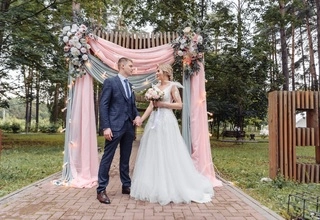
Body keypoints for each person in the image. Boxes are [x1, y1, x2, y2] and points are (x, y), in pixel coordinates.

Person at [130, 64, 214, 205]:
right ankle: (154, 184)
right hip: (154, 122)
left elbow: (180, 105)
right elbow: (151, 106)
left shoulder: (172, 86)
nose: (156, 73)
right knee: (154, 151)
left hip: (167, 121)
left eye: (158, 71)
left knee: (168, 149)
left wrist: (164, 105)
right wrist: (141, 120)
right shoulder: (155, 87)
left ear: (166, 72)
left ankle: (172, 184)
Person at [97, 57, 142, 204]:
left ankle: (126, 185)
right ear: (122, 66)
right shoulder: (110, 82)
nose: (132, 68)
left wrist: (137, 116)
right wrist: (106, 127)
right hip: (114, 126)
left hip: (129, 127)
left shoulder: (129, 85)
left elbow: (132, 106)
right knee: (107, 158)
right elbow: (103, 105)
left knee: (125, 158)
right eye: (130, 65)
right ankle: (101, 190)